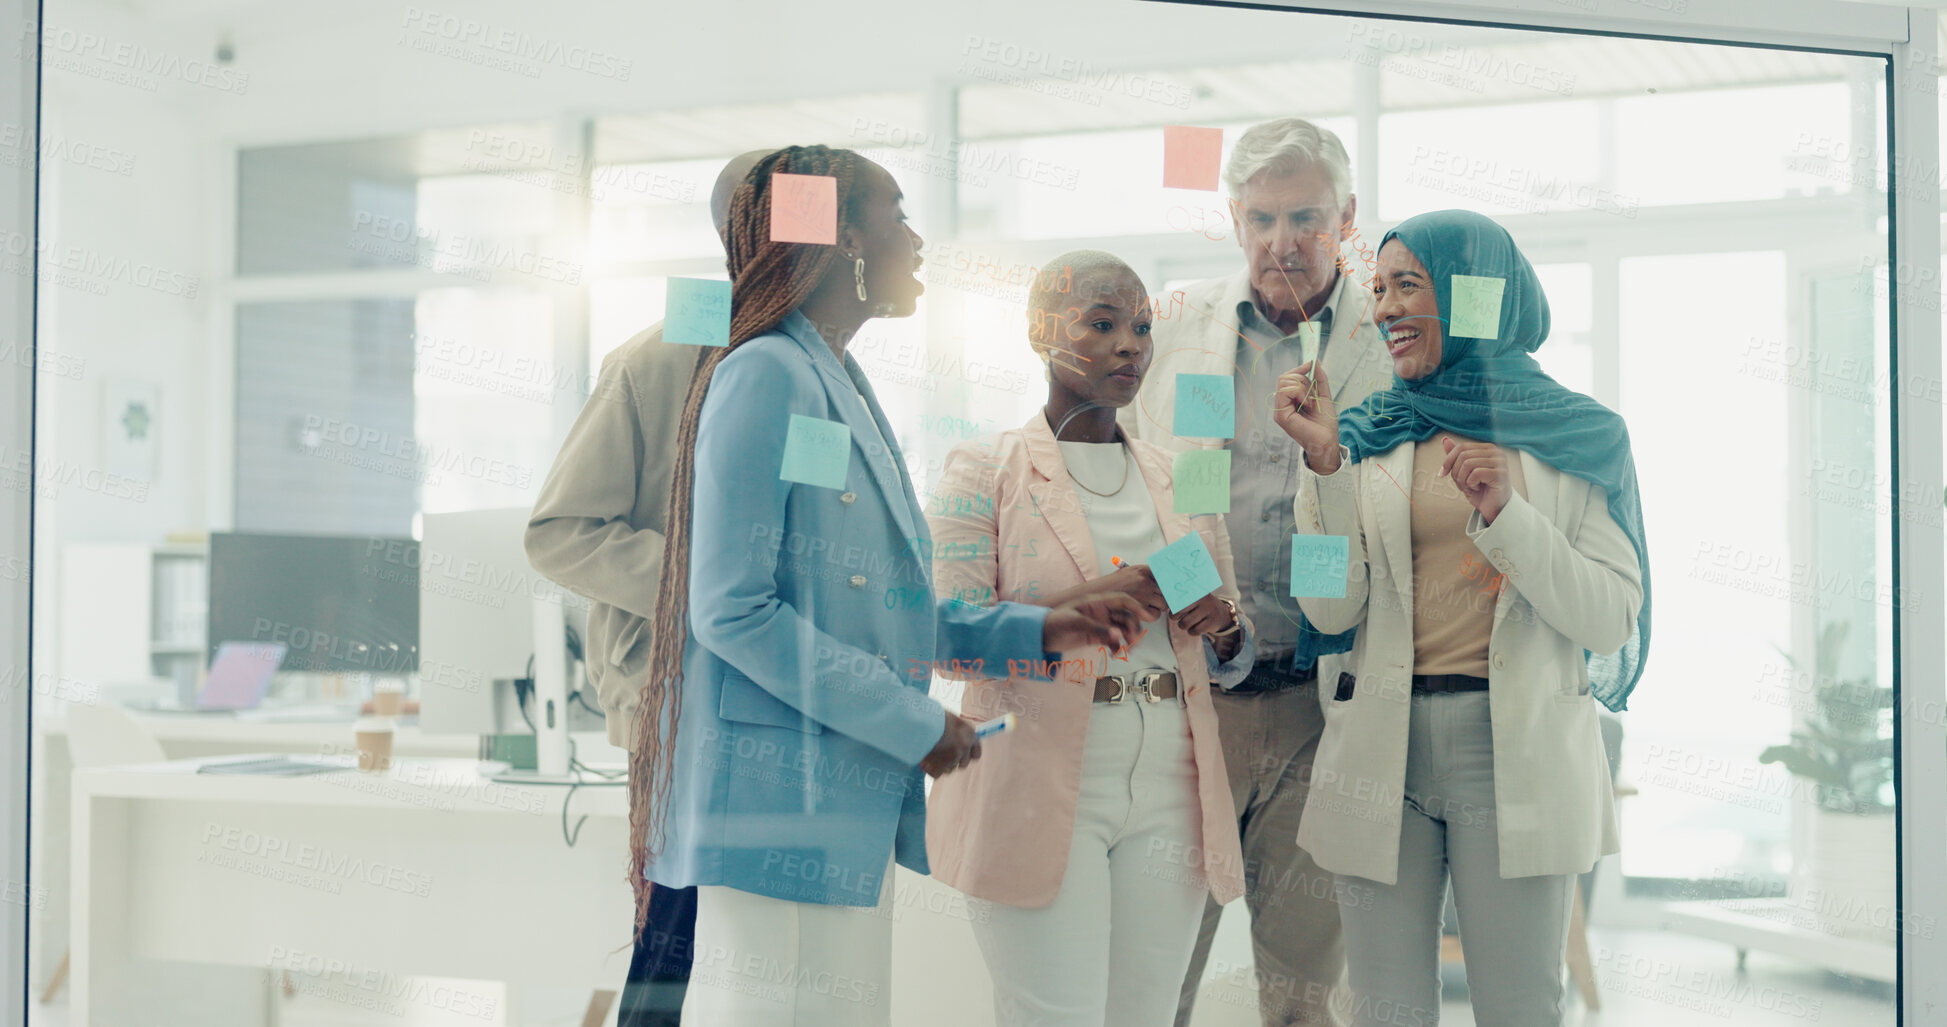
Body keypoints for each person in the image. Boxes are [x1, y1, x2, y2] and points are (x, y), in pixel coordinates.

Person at [624, 145, 1149, 1027]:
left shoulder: (832, 379)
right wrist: (913, 722)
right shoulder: (764, 374)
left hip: (833, 799)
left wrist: (1040, 628)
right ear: (842, 242)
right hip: (772, 807)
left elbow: (874, 609)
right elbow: (732, 609)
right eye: (897, 215)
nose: (916, 238)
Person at [1273, 209, 1651, 1026]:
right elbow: (1326, 605)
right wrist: (1324, 468)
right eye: (1376, 290)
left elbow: (1610, 617)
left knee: (1519, 1006)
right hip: (1382, 747)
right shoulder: (1363, 435)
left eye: (1406, 285)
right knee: (1383, 1010)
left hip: (1511, 750)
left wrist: (1507, 513)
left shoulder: (1580, 437)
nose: (1382, 310)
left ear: (1476, 297)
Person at [925, 250, 1253, 1026]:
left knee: (1144, 1013)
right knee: (1054, 1013)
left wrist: (1227, 629)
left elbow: (1231, 635)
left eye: (1140, 328)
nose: (1128, 345)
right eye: (1100, 324)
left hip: (1171, 780)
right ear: (1041, 331)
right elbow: (947, 636)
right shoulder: (983, 468)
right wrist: (1089, 599)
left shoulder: (1178, 477)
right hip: (1037, 774)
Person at [1120, 117, 1393, 1027]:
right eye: (1262, 218)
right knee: (1157, 983)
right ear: (1234, 220)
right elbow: (1132, 486)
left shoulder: (1388, 345)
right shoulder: (1172, 329)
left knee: (1302, 997)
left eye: (1306, 216)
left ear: (1346, 217)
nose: (1283, 241)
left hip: (1325, 712)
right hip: (1195, 703)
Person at [524, 148, 772, 1027]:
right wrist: (710, 587)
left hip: (785, 707)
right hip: (680, 707)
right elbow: (557, 533)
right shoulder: (661, 355)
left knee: (758, 965)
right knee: (676, 950)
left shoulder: (814, 367)